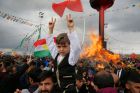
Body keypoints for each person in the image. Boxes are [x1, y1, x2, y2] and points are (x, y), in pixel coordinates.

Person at [46, 14, 81, 93]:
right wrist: (50, 29)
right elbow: (50, 43)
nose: (61, 49)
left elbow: (77, 48)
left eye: (64, 46)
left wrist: (71, 28)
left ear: (69, 46)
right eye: (59, 46)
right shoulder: (56, 54)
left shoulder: (71, 58)